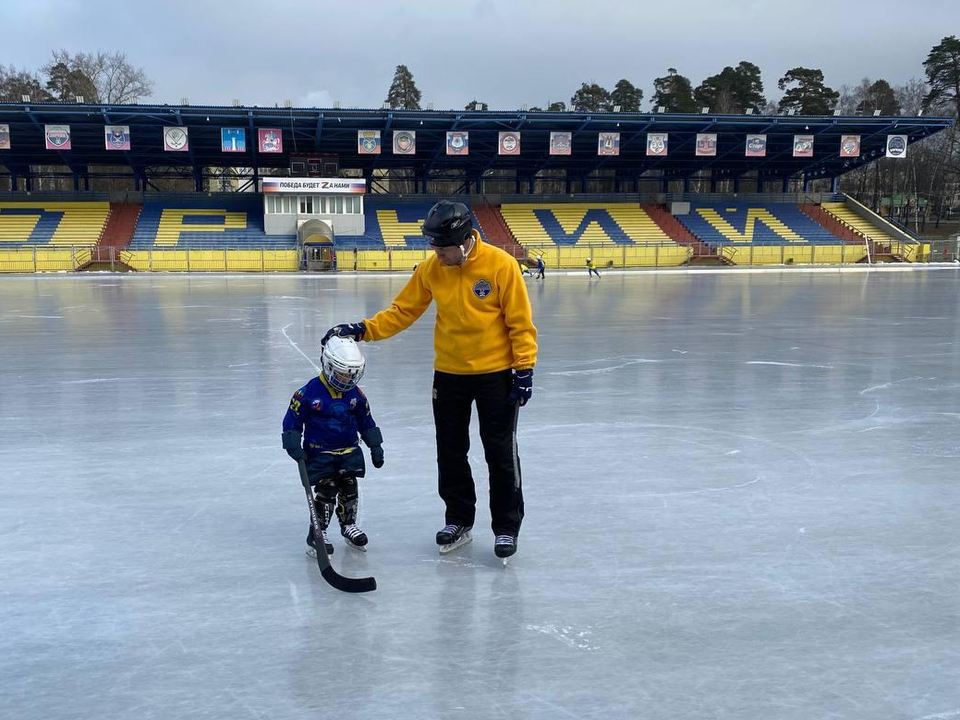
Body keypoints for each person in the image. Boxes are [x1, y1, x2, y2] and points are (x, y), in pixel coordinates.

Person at [322, 200, 538, 561]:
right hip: (450, 375)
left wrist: (524, 369)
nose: (436, 253)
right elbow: (402, 312)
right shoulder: (431, 269)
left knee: (499, 453)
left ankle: (505, 526)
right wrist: (361, 330)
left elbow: (520, 322)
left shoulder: (501, 266)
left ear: (464, 239)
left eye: (441, 246)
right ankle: (458, 520)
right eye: (433, 246)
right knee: (450, 452)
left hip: (496, 376)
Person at [281, 336, 385, 557]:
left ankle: (348, 526)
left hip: (349, 451)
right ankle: (318, 533)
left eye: (353, 374)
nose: (348, 379)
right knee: (326, 490)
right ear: (328, 366)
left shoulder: (355, 394)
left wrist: (375, 445)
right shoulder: (308, 393)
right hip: (320, 453)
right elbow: (292, 421)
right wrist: (293, 445)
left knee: (349, 487)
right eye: (343, 373)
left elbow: (366, 420)